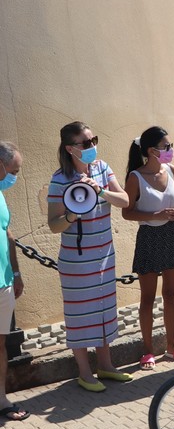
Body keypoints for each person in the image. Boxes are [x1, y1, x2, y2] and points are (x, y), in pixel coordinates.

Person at [47, 122, 132, 392]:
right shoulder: (59, 179)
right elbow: (53, 224)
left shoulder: (102, 168)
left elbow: (125, 200)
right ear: (70, 148)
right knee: (80, 314)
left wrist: (101, 191)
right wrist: (73, 213)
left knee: (105, 311)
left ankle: (106, 366)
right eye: (85, 143)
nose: (92, 146)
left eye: (93, 140)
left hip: (104, 255)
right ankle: (85, 372)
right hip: (76, 261)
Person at [122, 126, 174, 370]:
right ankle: (148, 350)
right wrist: (156, 214)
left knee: (171, 296)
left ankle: (172, 347)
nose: (170, 151)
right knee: (147, 298)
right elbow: (127, 212)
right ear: (151, 150)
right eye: (166, 147)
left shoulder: (171, 170)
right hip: (149, 237)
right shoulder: (135, 177)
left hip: (172, 234)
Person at [0, 141, 27, 419]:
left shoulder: (0, 194)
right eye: (13, 171)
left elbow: (8, 235)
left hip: (4, 283)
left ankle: (1, 400)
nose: (14, 178)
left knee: (0, 345)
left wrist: (17, 273)